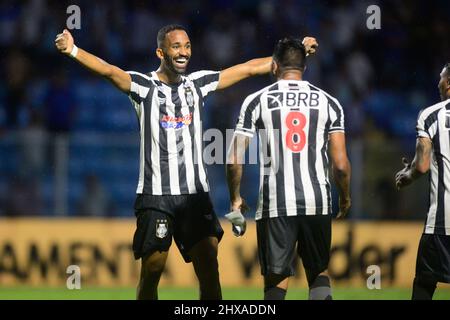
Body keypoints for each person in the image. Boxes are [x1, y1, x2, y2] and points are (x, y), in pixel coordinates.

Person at [55, 25, 317, 300]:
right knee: (152, 271)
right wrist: (73, 50)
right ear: (161, 52)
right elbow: (108, 70)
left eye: (188, 46)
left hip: (195, 197)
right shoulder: (144, 87)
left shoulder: (197, 84)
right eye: (177, 47)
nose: (184, 52)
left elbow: (248, 68)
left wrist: (295, 51)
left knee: (209, 269)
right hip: (156, 197)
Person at [225, 37, 351, 300]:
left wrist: (236, 199)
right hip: (317, 201)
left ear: (273, 67)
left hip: (275, 203)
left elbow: (234, 158)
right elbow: (340, 165)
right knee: (318, 273)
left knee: (276, 278)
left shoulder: (256, 101)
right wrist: (345, 198)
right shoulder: (329, 102)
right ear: (305, 67)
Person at [395, 63, 450, 300]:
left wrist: (406, 176)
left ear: (448, 82)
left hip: (442, 222)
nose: (438, 82)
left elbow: (422, 165)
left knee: (424, 285)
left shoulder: (431, 115)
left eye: (441, 77)